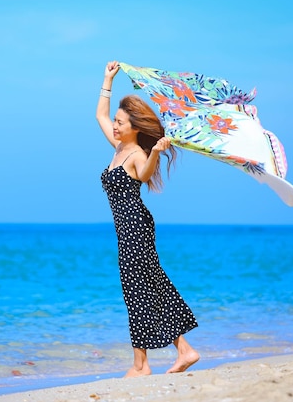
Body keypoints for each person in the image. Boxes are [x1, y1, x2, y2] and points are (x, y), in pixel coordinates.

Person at [97, 60, 200, 377]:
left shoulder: (138, 155)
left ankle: (143, 364)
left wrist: (156, 151)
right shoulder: (118, 147)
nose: (115, 126)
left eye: (121, 123)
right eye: (116, 121)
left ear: (135, 129)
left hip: (136, 231)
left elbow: (143, 174)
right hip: (127, 232)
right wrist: (107, 80)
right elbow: (99, 114)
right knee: (145, 289)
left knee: (140, 291)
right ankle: (180, 351)